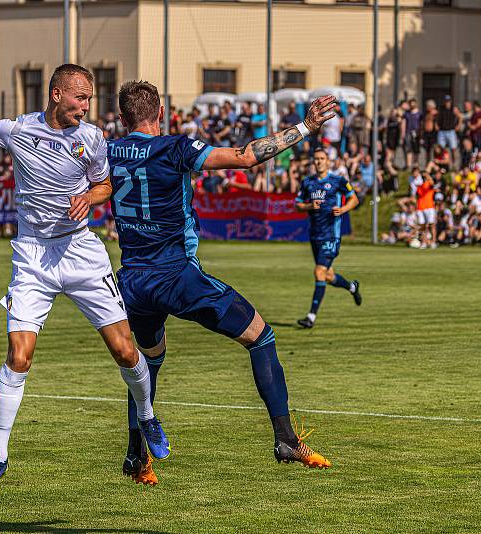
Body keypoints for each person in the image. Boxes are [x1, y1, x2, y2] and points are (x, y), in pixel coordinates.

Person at [0, 64, 169, 499]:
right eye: (81, 98)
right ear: (57, 94)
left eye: (90, 99)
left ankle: (148, 415)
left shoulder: (92, 139)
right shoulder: (17, 129)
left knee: (125, 350)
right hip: (34, 256)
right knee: (19, 358)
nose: (87, 106)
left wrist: (87, 197)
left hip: (80, 252)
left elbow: (105, 186)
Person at [107, 81, 336, 486]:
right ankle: (285, 439)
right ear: (161, 113)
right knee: (261, 336)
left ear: (124, 119)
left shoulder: (109, 150)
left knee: (146, 365)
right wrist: (306, 127)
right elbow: (246, 157)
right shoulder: (175, 148)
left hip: (132, 282)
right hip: (175, 274)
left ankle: (135, 456)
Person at [295, 148, 362, 328]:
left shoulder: (338, 181)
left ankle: (311, 317)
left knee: (319, 272)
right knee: (328, 275)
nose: (318, 162)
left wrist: (343, 210)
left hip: (331, 235)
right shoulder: (307, 182)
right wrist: (310, 205)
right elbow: (298, 205)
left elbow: (354, 199)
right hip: (315, 235)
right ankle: (352, 287)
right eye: (316, 159)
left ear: (328, 161)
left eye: (322, 159)